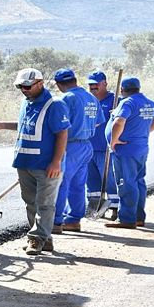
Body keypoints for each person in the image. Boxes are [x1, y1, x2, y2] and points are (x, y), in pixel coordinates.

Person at [0, 68, 70, 255]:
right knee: (31, 203)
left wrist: (56, 162)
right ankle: (45, 239)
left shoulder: (55, 105)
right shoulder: (26, 103)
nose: (24, 89)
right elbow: (26, 126)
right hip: (25, 162)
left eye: (27, 86)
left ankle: (36, 240)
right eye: (20, 86)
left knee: (45, 204)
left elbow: (62, 133)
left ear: (40, 83)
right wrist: (2, 125)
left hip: (46, 166)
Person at [104, 77, 154, 229]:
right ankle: (138, 217)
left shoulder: (127, 102)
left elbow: (119, 122)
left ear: (123, 90)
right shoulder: (149, 102)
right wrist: (145, 131)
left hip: (125, 149)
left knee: (126, 183)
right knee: (138, 181)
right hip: (141, 147)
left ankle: (127, 219)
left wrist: (113, 140)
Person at [51, 68, 101, 233]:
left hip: (70, 145)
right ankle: (74, 220)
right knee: (78, 185)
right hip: (87, 145)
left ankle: (56, 221)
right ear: (74, 80)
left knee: (60, 183)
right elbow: (98, 122)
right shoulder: (91, 98)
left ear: (59, 84)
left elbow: (60, 125)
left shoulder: (66, 98)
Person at [86, 71, 119, 218]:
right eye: (90, 84)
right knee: (92, 182)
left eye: (96, 84)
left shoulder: (116, 100)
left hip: (106, 149)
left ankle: (114, 208)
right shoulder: (88, 101)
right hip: (88, 149)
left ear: (104, 83)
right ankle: (94, 207)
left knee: (110, 181)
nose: (93, 87)